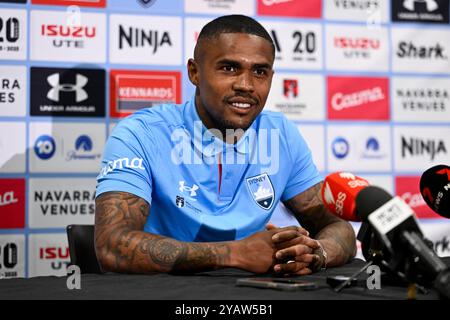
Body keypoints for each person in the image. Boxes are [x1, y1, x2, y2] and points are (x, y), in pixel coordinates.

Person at [94, 14, 356, 275]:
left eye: (259, 72)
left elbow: (338, 227)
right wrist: (234, 253)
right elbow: (112, 246)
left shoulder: (280, 134)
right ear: (194, 72)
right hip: (161, 292)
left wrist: (313, 253)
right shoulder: (141, 133)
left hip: (251, 293)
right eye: (229, 68)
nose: (245, 85)